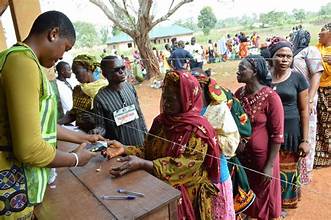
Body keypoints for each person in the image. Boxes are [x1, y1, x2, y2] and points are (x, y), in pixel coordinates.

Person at [0, 11, 102, 219]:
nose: (63, 56)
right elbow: (29, 149)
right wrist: (75, 159)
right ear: (53, 34)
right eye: (66, 48)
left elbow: (39, 126)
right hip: (12, 185)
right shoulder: (22, 63)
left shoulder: (15, 59)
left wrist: (86, 138)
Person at [103, 70, 222, 219]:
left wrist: (145, 164)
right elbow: (148, 151)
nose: (165, 103)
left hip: (187, 198)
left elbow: (185, 166)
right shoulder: (161, 122)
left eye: (171, 99)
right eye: (164, 97)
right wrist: (124, 149)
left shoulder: (198, 130)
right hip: (159, 190)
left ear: (186, 100)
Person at [235, 55, 284, 220]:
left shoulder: (271, 97)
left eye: (242, 68)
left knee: (264, 199)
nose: (238, 71)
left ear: (255, 72)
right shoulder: (238, 95)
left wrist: (269, 166)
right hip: (243, 159)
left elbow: (277, 135)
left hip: (264, 161)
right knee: (247, 196)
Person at [267, 38, 309, 210]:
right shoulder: (264, 78)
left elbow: (304, 110)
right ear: (272, 57)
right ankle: (270, 203)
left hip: (291, 133)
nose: (285, 59)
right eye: (280, 55)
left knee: (287, 171)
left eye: (288, 56)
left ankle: (283, 204)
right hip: (269, 133)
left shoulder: (298, 79)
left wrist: (305, 140)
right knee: (269, 169)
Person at [193, 69, 239, 220]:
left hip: (216, 176)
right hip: (193, 177)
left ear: (202, 87)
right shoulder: (185, 111)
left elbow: (231, 143)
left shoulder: (218, 109)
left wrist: (205, 141)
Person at [91, 56, 147, 146]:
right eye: (117, 70)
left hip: (141, 144)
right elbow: (101, 126)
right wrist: (97, 131)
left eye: (123, 68)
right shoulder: (100, 99)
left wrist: (146, 135)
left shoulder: (130, 87)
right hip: (120, 151)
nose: (122, 72)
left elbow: (139, 114)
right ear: (105, 74)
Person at [291, 30, 324, 183]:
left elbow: (317, 74)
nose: (296, 38)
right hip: (293, 99)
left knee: (307, 132)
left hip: (307, 98)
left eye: (298, 36)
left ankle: (305, 173)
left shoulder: (311, 51)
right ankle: (293, 169)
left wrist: (310, 99)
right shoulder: (292, 52)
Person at [58, 54, 108, 132]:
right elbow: (74, 113)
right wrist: (56, 124)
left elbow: (109, 116)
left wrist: (95, 120)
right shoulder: (78, 90)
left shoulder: (104, 89)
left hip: (100, 133)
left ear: (88, 69)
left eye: (77, 72)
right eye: (74, 73)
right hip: (81, 133)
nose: (76, 76)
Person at [314, 23, 331, 167]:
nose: (319, 34)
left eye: (322, 32)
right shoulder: (317, 48)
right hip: (319, 90)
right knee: (320, 124)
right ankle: (323, 158)